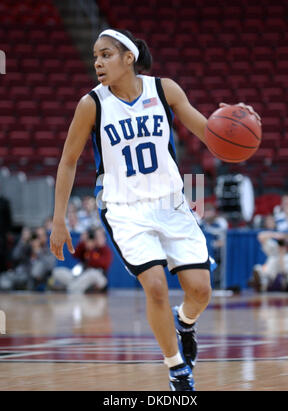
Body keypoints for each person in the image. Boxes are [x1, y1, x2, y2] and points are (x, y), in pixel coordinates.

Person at [49, 28, 261, 391]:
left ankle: (186, 322)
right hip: (124, 209)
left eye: (106, 55)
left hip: (172, 204)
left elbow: (208, 135)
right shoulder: (92, 104)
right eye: (95, 56)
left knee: (200, 291)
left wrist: (234, 119)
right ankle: (177, 368)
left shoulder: (164, 90)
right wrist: (58, 220)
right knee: (157, 286)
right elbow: (68, 162)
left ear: (128, 58)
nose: (97, 62)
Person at [50, 227, 112, 293]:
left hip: (99, 278)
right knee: (57, 272)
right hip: (81, 276)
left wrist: (91, 250)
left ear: (104, 238)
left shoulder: (106, 250)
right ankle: (73, 287)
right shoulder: (86, 246)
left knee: (92, 273)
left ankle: (70, 289)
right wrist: (82, 242)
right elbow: (75, 255)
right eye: (95, 236)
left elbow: (102, 264)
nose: (96, 239)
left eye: (99, 236)